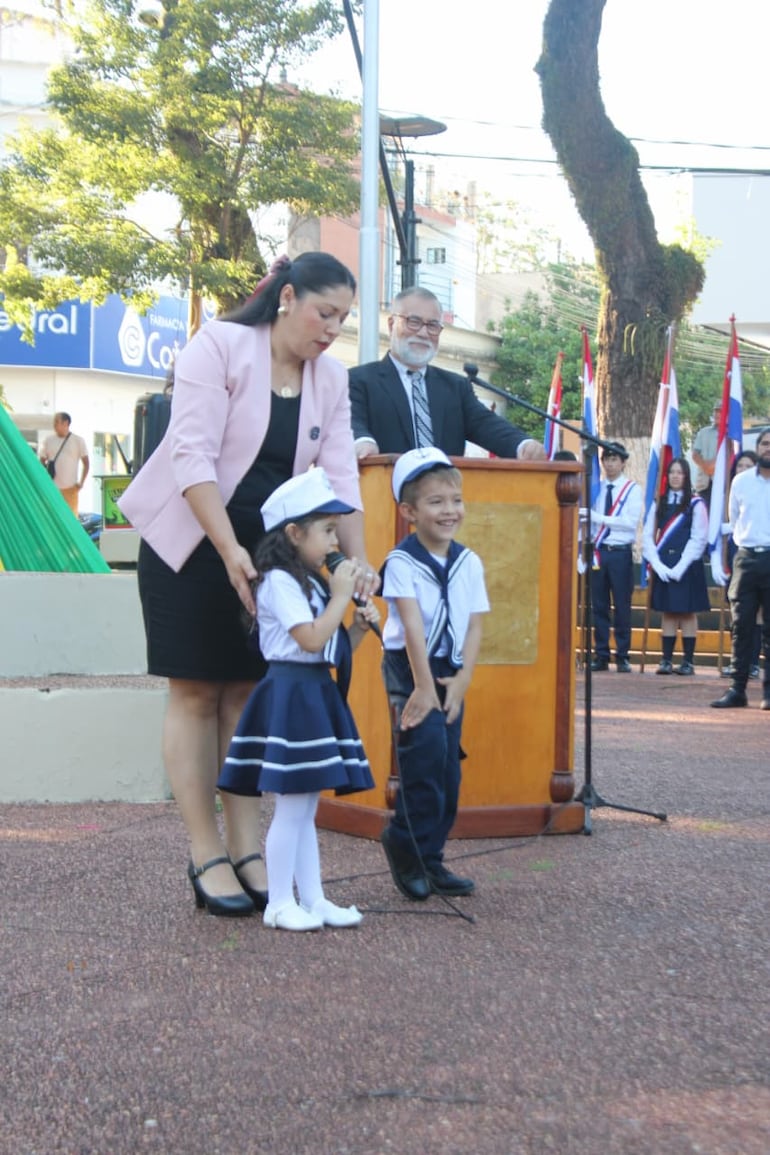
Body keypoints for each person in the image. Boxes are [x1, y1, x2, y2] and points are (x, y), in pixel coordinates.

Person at [118, 252, 378, 916]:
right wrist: (228, 548)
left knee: (245, 694)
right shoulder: (222, 345)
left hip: (269, 552)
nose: (331, 329)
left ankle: (247, 846)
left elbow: (340, 478)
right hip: (192, 541)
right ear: (287, 297)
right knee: (198, 691)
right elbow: (191, 453)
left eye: (342, 319)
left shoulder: (331, 378)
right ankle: (205, 850)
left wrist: (359, 565)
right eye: (325, 313)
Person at [217, 468, 378, 931]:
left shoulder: (309, 582)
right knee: (293, 805)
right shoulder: (279, 582)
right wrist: (341, 597)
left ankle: (313, 898)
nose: (335, 541)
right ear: (293, 532)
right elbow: (308, 639)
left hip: (311, 691)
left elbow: (326, 646)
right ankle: (279, 903)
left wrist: (358, 629)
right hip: (289, 693)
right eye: (327, 530)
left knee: (306, 805)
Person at [379, 446, 490, 901]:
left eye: (455, 500)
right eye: (436, 502)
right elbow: (410, 627)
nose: (450, 511)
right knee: (421, 762)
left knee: (447, 769)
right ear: (409, 511)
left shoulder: (469, 562)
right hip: (412, 669)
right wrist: (422, 688)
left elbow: (476, 621)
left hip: (449, 670)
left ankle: (433, 857)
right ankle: (406, 847)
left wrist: (463, 680)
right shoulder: (401, 562)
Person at [349, 286, 547, 461]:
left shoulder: (455, 387)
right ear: (392, 324)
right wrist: (362, 441)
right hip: (382, 494)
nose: (424, 333)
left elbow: (486, 425)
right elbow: (351, 423)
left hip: (443, 498)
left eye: (433, 326)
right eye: (414, 322)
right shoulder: (358, 381)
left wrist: (523, 445)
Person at [711, 427, 770, 710]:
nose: (768, 449)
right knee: (741, 626)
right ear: (757, 448)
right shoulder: (741, 481)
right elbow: (734, 521)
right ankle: (737, 689)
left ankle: (769, 693)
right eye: (764, 444)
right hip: (746, 559)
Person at [642, 457, 709, 675]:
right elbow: (648, 536)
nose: (675, 476)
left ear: (687, 476)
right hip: (664, 563)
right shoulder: (658, 502)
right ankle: (666, 660)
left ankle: (688, 661)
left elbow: (698, 538)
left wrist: (680, 567)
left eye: (680, 472)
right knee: (668, 613)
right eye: (672, 472)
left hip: (687, 564)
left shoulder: (696, 503)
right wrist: (658, 565)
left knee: (687, 613)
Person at [588, 443, 642, 673]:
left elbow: (629, 523)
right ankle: (601, 654)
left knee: (622, 605)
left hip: (620, 553)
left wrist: (599, 518)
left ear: (623, 462)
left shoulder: (632, 489)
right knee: (599, 606)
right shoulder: (596, 488)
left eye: (614, 459)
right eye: (606, 459)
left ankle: (622, 655)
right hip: (599, 552)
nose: (609, 464)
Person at [721, 451, 761, 679]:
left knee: (758, 614)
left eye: (748, 465)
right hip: (739, 553)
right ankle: (738, 664)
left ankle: (754, 662)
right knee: (737, 613)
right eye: (740, 466)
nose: (743, 469)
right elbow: (734, 518)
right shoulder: (736, 488)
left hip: (762, 555)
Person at [40, 412, 89, 514]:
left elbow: (86, 463)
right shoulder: (48, 440)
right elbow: (41, 461)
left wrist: (81, 483)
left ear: (66, 423)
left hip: (70, 490)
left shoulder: (78, 441)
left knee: (71, 519)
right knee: (51, 517)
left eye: (57, 422)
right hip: (52, 489)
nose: (54, 424)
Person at [692, 401, 721, 507]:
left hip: (724, 485)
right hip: (704, 484)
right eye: (716, 411)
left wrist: (714, 464)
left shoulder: (731, 435)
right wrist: (706, 466)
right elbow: (695, 454)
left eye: (721, 411)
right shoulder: (704, 432)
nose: (717, 414)